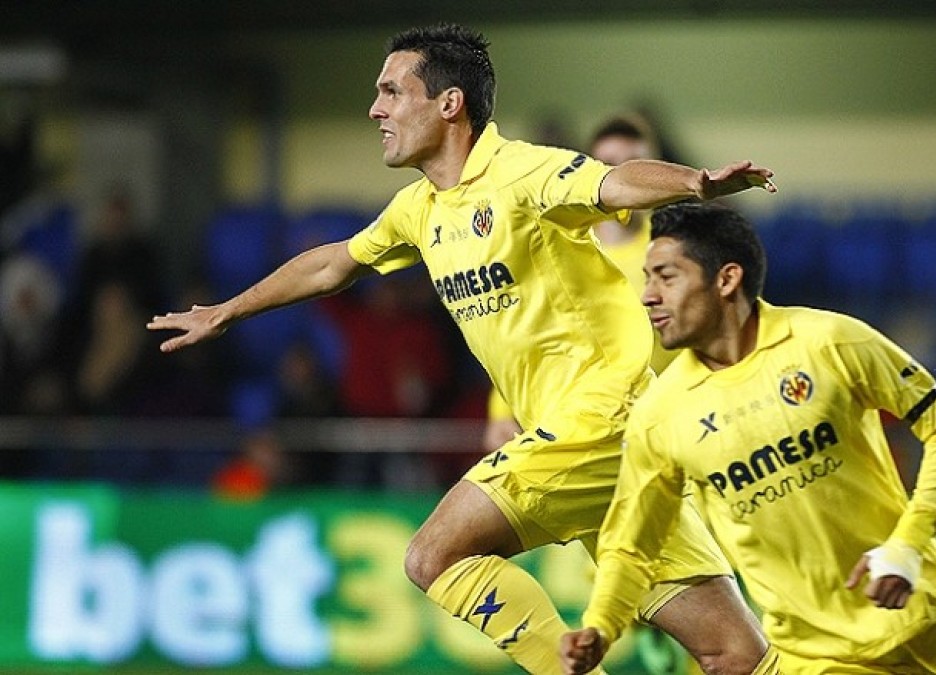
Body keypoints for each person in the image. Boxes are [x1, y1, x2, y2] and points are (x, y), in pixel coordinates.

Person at [149, 23, 777, 674]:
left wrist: (696, 183)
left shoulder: (521, 172)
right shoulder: (419, 209)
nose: (376, 110)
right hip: (608, 448)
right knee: (733, 653)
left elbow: (613, 183)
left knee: (434, 556)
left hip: (601, 418)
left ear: (449, 104)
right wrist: (228, 310)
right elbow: (333, 264)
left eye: (392, 92)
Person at [562, 203, 936, 674]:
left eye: (666, 277)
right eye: (647, 279)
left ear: (726, 280)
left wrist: (907, 544)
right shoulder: (660, 415)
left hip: (924, 619)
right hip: (816, 657)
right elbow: (631, 544)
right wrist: (601, 625)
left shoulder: (830, 342)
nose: (648, 296)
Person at [481, 113, 678, 453]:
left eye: (636, 165)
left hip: (661, 426)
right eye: (611, 165)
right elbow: (530, 331)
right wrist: (501, 412)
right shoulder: (560, 245)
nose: (625, 177)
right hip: (580, 426)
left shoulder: (673, 248)